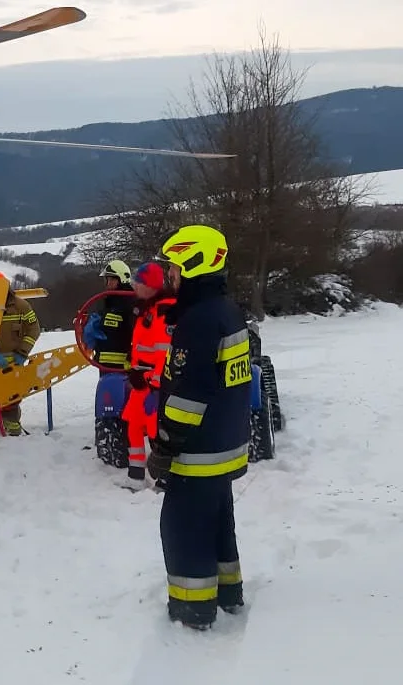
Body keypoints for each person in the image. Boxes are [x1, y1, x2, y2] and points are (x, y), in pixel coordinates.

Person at [148, 224, 251, 631]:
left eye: (174, 267)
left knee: (183, 528)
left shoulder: (198, 322)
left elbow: (191, 393)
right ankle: (228, 592)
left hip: (198, 451)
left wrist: (167, 444)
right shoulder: (227, 311)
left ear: (193, 264)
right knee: (217, 521)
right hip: (224, 444)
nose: (169, 275)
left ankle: (193, 609)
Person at [119, 261, 175, 491]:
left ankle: (164, 480)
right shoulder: (146, 310)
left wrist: (154, 383)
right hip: (141, 383)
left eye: (138, 283)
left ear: (149, 286)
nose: (134, 287)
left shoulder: (165, 312)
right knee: (133, 426)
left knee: (158, 433)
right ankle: (135, 476)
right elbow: (141, 348)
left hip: (156, 386)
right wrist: (134, 372)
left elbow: (165, 353)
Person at [0, 271, 42, 436]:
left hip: (15, 362)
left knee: (12, 396)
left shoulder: (21, 306)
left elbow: (34, 329)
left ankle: (12, 424)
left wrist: (22, 352)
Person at [82, 260, 136, 370]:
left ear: (122, 279)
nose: (108, 283)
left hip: (122, 367)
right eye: (107, 279)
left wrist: (131, 359)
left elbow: (137, 335)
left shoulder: (130, 304)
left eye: (112, 279)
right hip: (105, 365)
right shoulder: (109, 303)